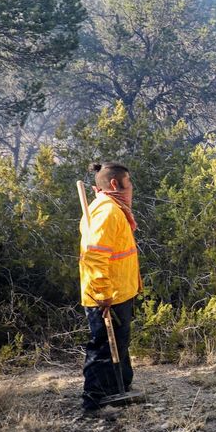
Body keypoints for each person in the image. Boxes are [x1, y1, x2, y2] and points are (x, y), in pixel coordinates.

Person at [79, 161, 143, 415]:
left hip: (118, 293)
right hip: (106, 296)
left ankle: (117, 390)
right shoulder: (107, 212)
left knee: (119, 343)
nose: (132, 188)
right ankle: (93, 402)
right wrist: (103, 294)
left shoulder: (114, 209)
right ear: (115, 184)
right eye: (129, 182)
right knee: (103, 347)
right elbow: (94, 256)